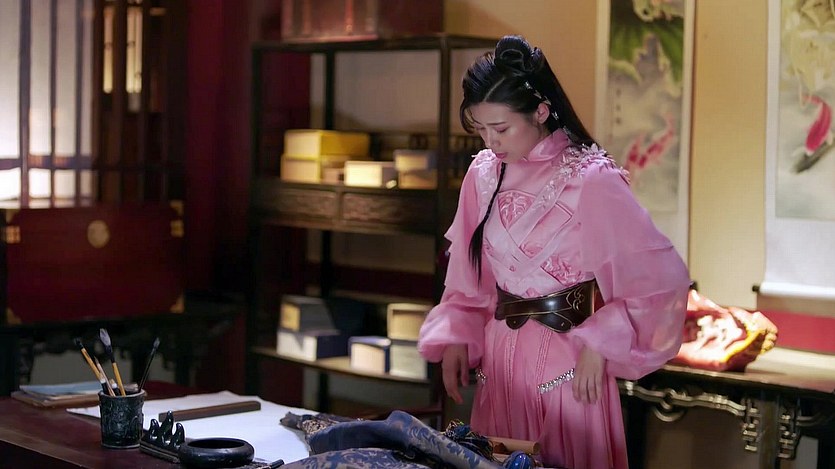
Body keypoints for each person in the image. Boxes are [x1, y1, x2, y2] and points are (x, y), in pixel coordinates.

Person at [417, 35, 690, 469]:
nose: (490, 142)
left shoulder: (592, 177)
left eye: (501, 129)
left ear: (541, 111)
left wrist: (602, 341)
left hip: (571, 361)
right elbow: (470, 274)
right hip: (501, 363)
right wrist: (457, 334)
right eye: (480, 129)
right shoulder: (482, 175)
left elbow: (657, 281)